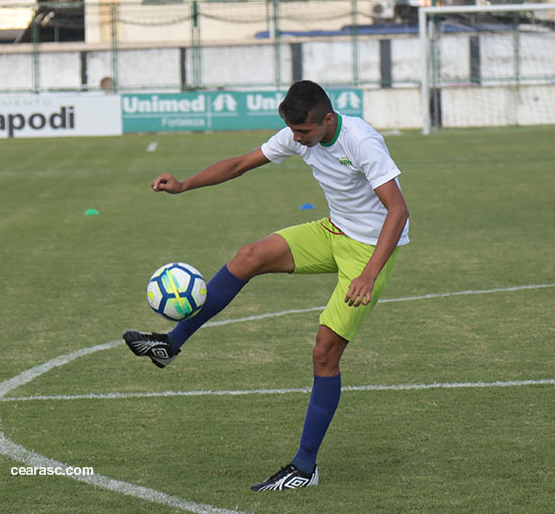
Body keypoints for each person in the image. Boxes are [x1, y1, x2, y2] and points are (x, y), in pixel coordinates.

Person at [123, 80, 410, 491]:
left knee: (324, 353)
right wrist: (184, 184)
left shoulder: (361, 140)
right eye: (293, 132)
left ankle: (304, 467)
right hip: (334, 231)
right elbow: (240, 163)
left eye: (304, 133)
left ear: (327, 119)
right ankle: (171, 344)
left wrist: (368, 274)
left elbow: (397, 211)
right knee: (248, 257)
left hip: (371, 251)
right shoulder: (299, 134)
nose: (297, 140)